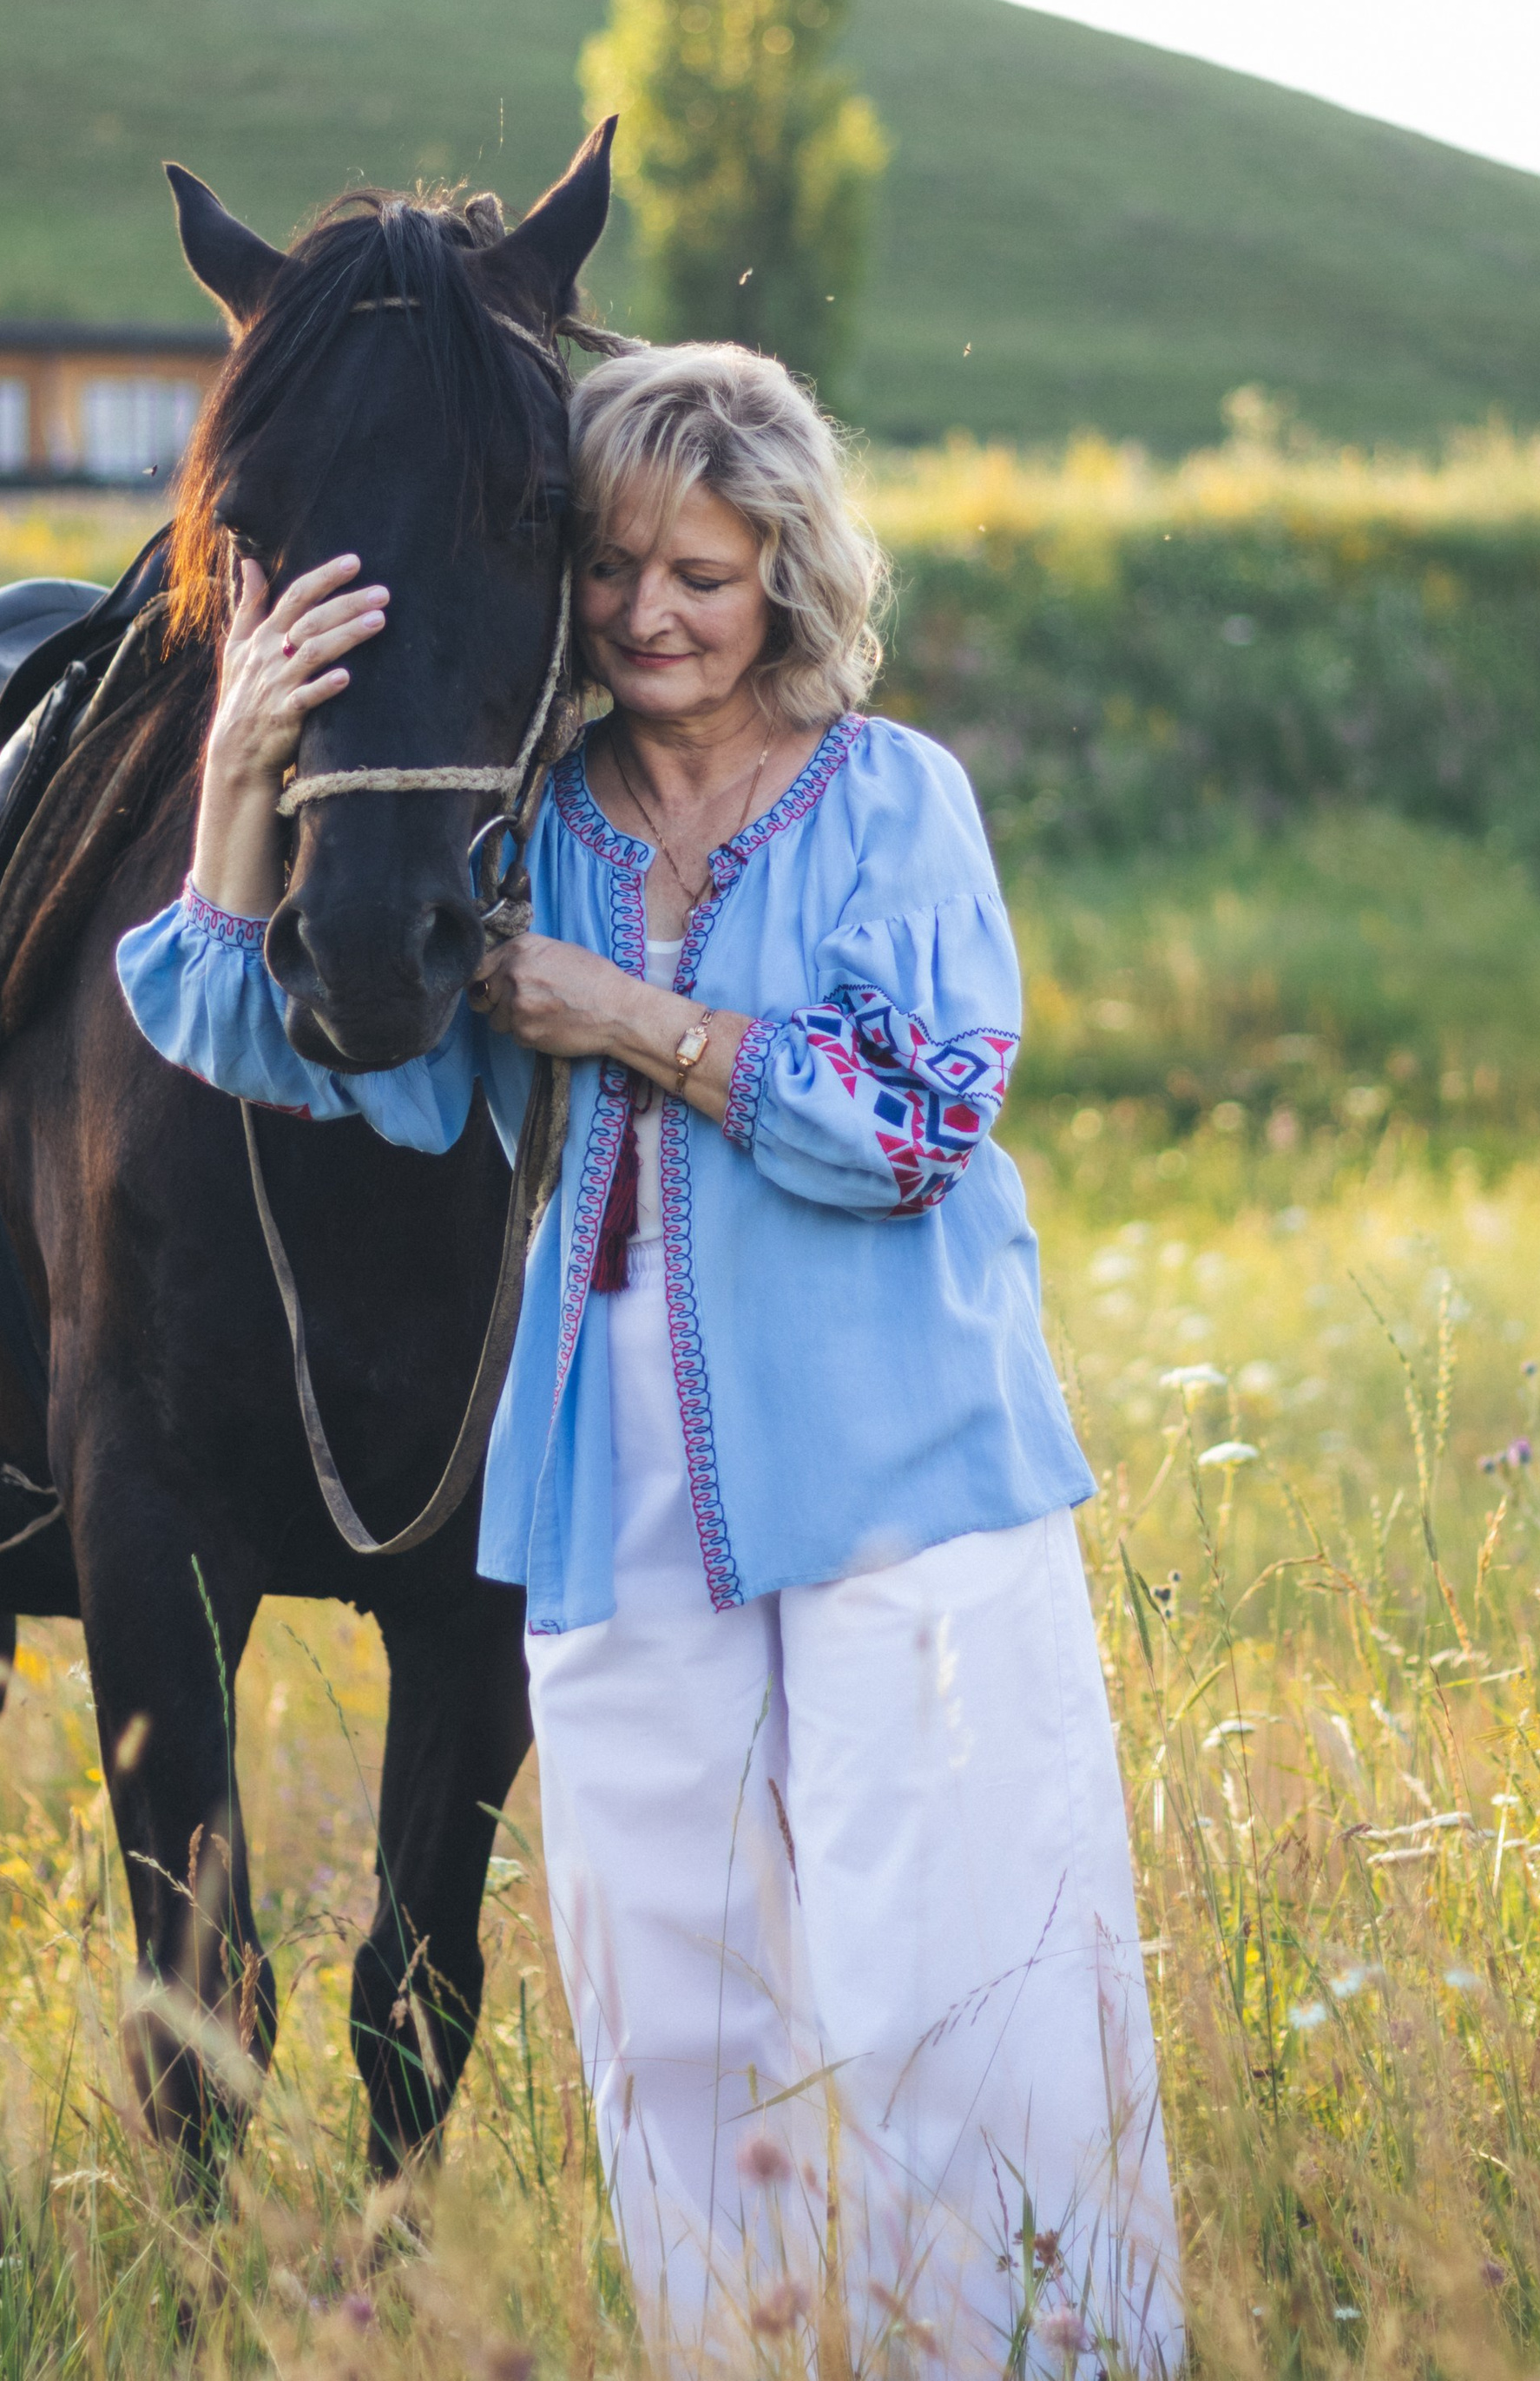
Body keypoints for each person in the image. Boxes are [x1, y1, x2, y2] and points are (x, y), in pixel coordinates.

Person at [117, 342, 1181, 2374]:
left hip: (901, 1481)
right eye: (608, 571)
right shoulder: (534, 832)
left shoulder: (895, 803)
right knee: (675, 2018)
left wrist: (624, 1018)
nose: (645, 617)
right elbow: (270, 1046)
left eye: (697, 574)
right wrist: (234, 782)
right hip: (613, 1499)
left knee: (949, 1982)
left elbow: (913, 1129)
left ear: (785, 571)